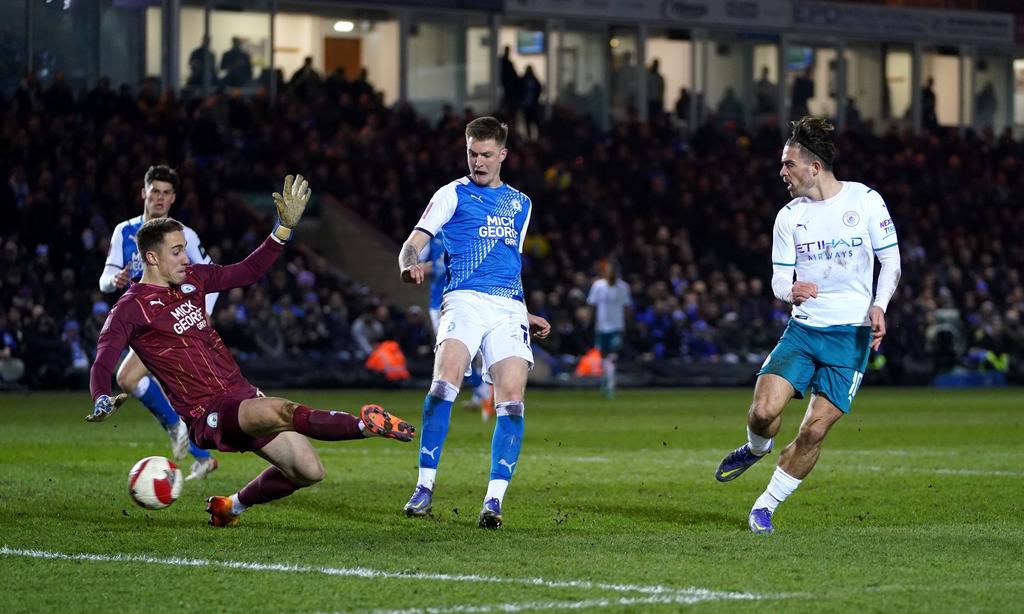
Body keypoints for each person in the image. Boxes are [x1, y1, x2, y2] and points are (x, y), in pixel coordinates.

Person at [88, 175, 415, 527]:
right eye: (177, 250)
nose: (186, 257)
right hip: (207, 413)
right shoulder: (130, 308)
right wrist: (101, 397)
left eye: (185, 247)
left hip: (240, 393)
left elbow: (247, 271)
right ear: (151, 257)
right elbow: (104, 357)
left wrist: (283, 228)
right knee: (282, 410)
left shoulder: (193, 279)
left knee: (308, 471)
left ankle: (230, 507)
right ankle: (365, 425)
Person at [714, 117, 901, 534]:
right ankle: (756, 447)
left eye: (788, 165)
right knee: (763, 412)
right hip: (803, 330)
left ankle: (764, 507)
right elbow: (780, 278)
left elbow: (891, 260)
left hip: (850, 337)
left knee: (813, 432)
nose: (782, 172)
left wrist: (879, 304)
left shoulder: (865, 201)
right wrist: (791, 290)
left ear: (814, 167)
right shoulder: (789, 217)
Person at [398, 116, 551, 529]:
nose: (477, 162)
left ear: (502, 154)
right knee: (444, 382)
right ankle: (424, 487)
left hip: (507, 308)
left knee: (513, 399)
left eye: (485, 154)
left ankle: (494, 500)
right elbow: (413, 244)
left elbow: (510, 266)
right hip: (463, 300)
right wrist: (409, 264)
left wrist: (523, 312)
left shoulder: (521, 203)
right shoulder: (452, 193)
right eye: (471, 153)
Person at [99, 165, 218, 479]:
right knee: (167, 386)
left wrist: (203, 313)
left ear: (174, 198)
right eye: (155, 191)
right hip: (138, 323)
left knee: (128, 378)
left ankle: (183, 431)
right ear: (144, 193)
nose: (160, 198)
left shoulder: (182, 234)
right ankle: (202, 454)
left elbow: (211, 274)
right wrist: (115, 280)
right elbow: (105, 278)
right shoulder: (124, 231)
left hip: (169, 321)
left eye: (167, 193)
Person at [586, 261, 631, 399]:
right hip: (602, 326)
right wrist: (589, 321)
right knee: (604, 356)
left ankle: (610, 384)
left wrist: (628, 323)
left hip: (617, 326)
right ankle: (607, 380)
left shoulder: (623, 287)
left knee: (612, 355)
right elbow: (592, 305)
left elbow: (626, 306)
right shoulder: (598, 286)